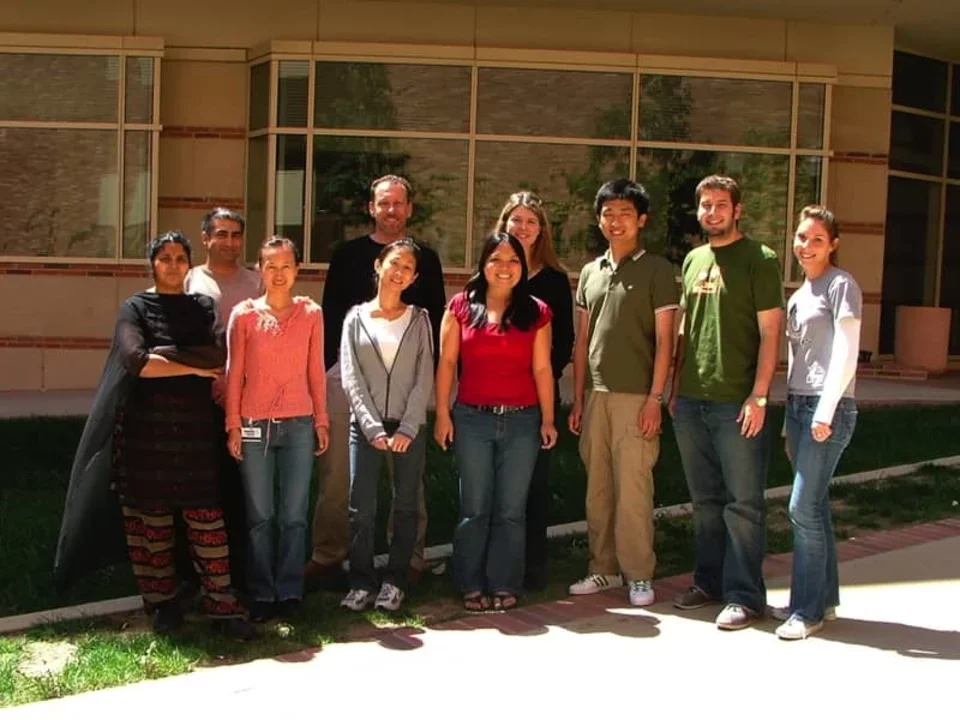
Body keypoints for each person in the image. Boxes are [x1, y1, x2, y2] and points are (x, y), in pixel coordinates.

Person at [54, 231, 253, 639]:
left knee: (207, 523)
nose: (174, 264)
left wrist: (167, 357)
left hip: (196, 436)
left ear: (189, 263)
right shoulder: (135, 307)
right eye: (165, 257)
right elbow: (135, 361)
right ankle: (162, 606)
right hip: (146, 436)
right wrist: (194, 367)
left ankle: (223, 606)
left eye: (181, 258)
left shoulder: (202, 307)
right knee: (152, 526)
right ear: (153, 263)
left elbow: (218, 355)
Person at [306, 175, 445, 586]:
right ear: (372, 208)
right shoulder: (347, 256)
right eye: (384, 203)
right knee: (337, 476)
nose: (391, 210)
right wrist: (333, 377)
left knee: (407, 478)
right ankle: (329, 555)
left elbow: (434, 323)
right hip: (346, 378)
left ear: (409, 210)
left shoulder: (426, 261)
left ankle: (409, 559)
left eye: (399, 203)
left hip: (405, 385)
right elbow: (331, 318)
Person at [668, 175, 785, 630]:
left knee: (744, 503)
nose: (712, 212)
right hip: (692, 400)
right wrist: (675, 387)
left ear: (737, 210)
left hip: (737, 402)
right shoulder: (694, 259)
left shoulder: (761, 259)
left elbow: (771, 332)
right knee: (705, 501)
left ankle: (744, 595)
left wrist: (759, 395)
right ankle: (709, 582)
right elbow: (685, 329)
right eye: (705, 205)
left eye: (721, 205)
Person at [566, 179, 679, 606]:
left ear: (642, 220)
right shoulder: (591, 273)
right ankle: (603, 569)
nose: (616, 221)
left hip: (637, 397)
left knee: (633, 488)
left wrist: (655, 398)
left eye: (625, 213)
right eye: (608, 213)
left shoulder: (658, 271)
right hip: (595, 397)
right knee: (598, 488)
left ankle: (638, 574)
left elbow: (667, 343)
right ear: (599, 219)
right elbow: (582, 343)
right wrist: (577, 399)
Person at [435, 231, 557, 612]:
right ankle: (470, 582)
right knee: (475, 506)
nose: (504, 268)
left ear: (522, 267)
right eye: (496, 260)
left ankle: (505, 582)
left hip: (522, 422)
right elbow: (448, 364)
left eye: (513, 261)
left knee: (510, 509)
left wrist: (549, 420)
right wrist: (442, 413)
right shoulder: (459, 307)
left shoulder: (536, 311)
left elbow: (542, 367)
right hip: (473, 419)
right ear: (483, 264)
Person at [225, 236, 330, 623]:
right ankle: (260, 590)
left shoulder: (311, 314)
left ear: (297, 270)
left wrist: (321, 419)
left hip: (299, 424)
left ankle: (289, 589)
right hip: (254, 424)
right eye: (271, 266)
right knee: (260, 515)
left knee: (294, 515)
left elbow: (315, 372)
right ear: (260, 270)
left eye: (286, 265)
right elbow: (234, 373)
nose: (279, 273)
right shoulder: (245, 315)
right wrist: (233, 423)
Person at [772, 206, 861, 640]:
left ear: (834, 244)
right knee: (817, 507)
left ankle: (807, 612)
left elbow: (846, 351)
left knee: (802, 508)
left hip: (828, 407)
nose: (806, 246)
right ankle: (822, 599)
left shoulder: (841, 286)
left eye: (817, 239)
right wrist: (794, 417)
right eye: (802, 237)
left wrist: (825, 411)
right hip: (798, 406)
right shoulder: (800, 293)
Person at [338, 240, 434, 613]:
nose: (399, 272)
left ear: (414, 277)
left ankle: (395, 581)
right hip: (365, 427)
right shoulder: (355, 318)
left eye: (408, 268)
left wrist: (410, 426)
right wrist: (370, 425)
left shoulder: (420, 319)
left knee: (406, 504)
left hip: (409, 425)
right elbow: (351, 376)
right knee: (361, 507)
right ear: (379, 265)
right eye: (394, 263)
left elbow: (424, 374)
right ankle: (361, 581)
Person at [493, 192, 573, 590]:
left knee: (533, 482)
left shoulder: (553, 280)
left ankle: (531, 566)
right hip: (491, 397)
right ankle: (493, 560)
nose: (522, 228)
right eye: (516, 220)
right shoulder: (493, 272)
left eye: (530, 221)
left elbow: (564, 342)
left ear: (541, 230)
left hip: (536, 395)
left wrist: (539, 378)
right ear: (503, 224)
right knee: (494, 482)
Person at [184, 207, 261, 591]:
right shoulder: (191, 280)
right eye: (221, 234)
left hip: (250, 403)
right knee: (204, 487)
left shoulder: (258, 282)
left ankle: (242, 571)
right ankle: (198, 573)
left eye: (235, 234)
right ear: (205, 238)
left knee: (243, 489)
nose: (229, 242)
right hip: (202, 402)